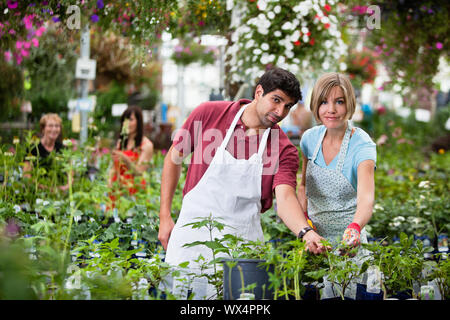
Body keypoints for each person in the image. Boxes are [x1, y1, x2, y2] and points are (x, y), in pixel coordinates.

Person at [158, 67, 326, 299]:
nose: (280, 111)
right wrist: (165, 216)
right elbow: (173, 159)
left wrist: (305, 231)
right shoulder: (208, 114)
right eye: (276, 100)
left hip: (242, 249)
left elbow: (285, 196)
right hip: (190, 239)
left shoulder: (283, 148)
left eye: (287, 106)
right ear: (259, 92)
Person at [297, 72, 377, 299]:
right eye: (324, 102)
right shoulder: (309, 139)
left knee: (346, 293)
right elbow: (302, 187)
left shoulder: (362, 146)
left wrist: (354, 228)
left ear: (349, 104)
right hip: (314, 243)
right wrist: (305, 224)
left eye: (339, 101)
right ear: (315, 105)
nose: (330, 109)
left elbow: (366, 198)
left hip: (349, 245)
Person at [108, 106, 154, 204]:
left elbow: (139, 172)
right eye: (125, 120)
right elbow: (114, 168)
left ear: (139, 122)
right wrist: (109, 181)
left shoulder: (146, 145)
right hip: (117, 190)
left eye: (131, 120)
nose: (127, 123)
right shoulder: (121, 143)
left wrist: (125, 159)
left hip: (134, 191)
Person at [23, 113, 69, 191]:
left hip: (61, 193)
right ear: (43, 129)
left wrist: (65, 187)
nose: (54, 129)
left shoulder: (63, 149)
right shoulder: (33, 148)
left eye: (57, 126)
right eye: (50, 126)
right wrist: (48, 189)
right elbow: (26, 176)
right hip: (38, 192)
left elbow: (70, 173)